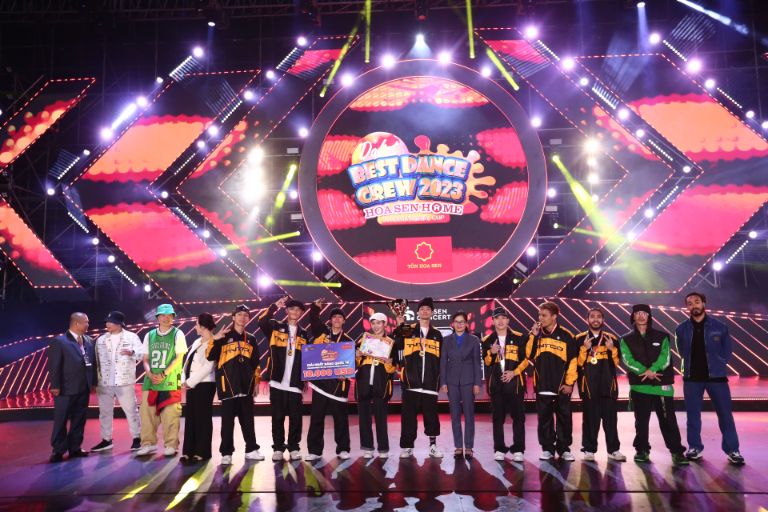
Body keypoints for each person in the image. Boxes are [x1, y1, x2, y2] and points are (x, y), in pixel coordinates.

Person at [675, 292, 744, 465]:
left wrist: (718, 364)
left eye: (697, 302)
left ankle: (733, 450)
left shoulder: (720, 326)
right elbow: (681, 351)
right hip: (692, 379)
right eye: (690, 303)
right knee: (693, 416)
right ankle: (694, 447)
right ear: (687, 307)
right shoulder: (681, 329)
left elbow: (727, 352)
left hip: (717, 378)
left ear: (704, 303)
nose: (694, 305)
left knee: (725, 415)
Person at [619, 304, 688, 466]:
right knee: (641, 422)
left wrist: (653, 370)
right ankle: (642, 450)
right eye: (637, 313)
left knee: (668, 421)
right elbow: (627, 360)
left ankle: (677, 452)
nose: (641, 316)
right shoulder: (625, 339)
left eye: (644, 313)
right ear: (633, 316)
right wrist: (645, 371)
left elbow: (665, 357)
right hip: (639, 386)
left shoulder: (662, 336)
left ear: (649, 316)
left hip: (662, 387)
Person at [207, 304, 265, 464]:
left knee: (248, 421)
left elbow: (256, 363)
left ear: (248, 318)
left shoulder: (251, 338)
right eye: (239, 315)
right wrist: (215, 339)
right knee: (227, 423)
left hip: (246, 386)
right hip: (228, 386)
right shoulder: (223, 336)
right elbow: (210, 356)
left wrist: (256, 382)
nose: (242, 318)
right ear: (233, 317)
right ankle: (226, 453)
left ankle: (251, 450)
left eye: (245, 315)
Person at [259, 296, 309, 462]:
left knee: (296, 418)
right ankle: (278, 448)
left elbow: (308, 359)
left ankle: (294, 447)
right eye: (292, 308)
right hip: (277, 380)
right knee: (277, 417)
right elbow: (262, 321)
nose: (295, 311)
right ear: (287, 310)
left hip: (295, 382)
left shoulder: (304, 334)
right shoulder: (275, 327)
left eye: (298, 310)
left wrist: (305, 378)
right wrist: (274, 306)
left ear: (301, 313)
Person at [393, 297, 444, 459]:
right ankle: (407, 446)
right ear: (417, 312)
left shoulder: (437, 334)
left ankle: (433, 446)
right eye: (422, 309)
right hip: (411, 382)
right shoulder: (408, 329)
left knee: (431, 417)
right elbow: (397, 345)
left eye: (428, 309)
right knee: (408, 418)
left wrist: (440, 380)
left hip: (430, 383)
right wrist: (399, 326)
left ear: (432, 313)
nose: (425, 311)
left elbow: (441, 360)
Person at [527, 301, 577, 461]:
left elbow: (573, 362)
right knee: (544, 419)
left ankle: (564, 449)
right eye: (539, 315)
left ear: (554, 316)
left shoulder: (567, 335)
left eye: (544, 315)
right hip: (542, 385)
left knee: (564, 418)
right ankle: (547, 448)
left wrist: (569, 383)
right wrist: (533, 336)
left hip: (561, 387)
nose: (540, 318)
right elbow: (528, 355)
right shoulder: (535, 334)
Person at [575, 307, 626, 462]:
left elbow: (616, 363)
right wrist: (584, 349)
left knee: (611, 421)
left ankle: (614, 450)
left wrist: (612, 349)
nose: (595, 319)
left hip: (608, 386)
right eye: (592, 316)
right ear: (587, 319)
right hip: (589, 387)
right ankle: (589, 450)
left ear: (603, 320)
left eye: (598, 316)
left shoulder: (611, 338)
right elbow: (578, 364)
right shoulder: (579, 339)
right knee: (590, 420)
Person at [136, 304, 187, 457]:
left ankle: (171, 444)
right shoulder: (150, 335)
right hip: (151, 381)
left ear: (173, 317)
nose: (166, 318)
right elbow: (145, 358)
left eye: (169, 315)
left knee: (171, 414)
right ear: (157, 317)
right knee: (147, 414)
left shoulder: (178, 334)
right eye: (163, 315)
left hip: (170, 380)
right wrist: (149, 373)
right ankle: (148, 443)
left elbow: (179, 358)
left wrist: (164, 374)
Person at [305, 300, 353, 461]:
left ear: (344, 321)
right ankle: (314, 450)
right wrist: (315, 308)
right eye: (334, 317)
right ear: (330, 320)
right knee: (316, 418)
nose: (337, 319)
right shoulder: (322, 334)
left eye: (340, 317)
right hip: (320, 384)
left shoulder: (348, 341)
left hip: (338, 386)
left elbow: (351, 364)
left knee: (341, 419)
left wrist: (345, 373)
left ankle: (343, 448)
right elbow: (313, 320)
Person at [91, 311, 143, 453]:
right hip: (104, 382)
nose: (107, 324)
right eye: (107, 321)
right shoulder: (101, 339)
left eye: (111, 322)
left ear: (119, 324)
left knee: (131, 411)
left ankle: (137, 438)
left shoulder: (131, 337)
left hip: (124, 381)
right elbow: (96, 361)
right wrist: (95, 381)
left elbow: (142, 354)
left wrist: (132, 352)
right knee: (105, 412)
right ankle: (106, 439)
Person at [48, 312, 97, 462]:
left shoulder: (89, 341)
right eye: (86, 322)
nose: (88, 325)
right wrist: (55, 385)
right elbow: (54, 365)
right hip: (65, 389)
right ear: (76, 323)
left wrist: (93, 382)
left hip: (83, 388)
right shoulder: (60, 341)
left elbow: (93, 364)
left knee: (79, 419)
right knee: (61, 420)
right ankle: (58, 450)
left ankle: (75, 448)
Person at [482, 307, 528, 462]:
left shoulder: (520, 337)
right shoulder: (487, 340)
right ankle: (499, 448)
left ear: (508, 320)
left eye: (503, 318)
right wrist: (491, 353)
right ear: (493, 321)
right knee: (497, 419)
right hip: (496, 386)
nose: (500, 321)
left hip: (515, 384)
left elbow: (526, 360)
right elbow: (486, 362)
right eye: (497, 318)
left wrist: (514, 372)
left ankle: (518, 449)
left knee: (519, 418)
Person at [439, 311, 481, 459]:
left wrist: (477, 383)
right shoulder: (446, 340)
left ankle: (468, 446)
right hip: (452, 381)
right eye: (456, 321)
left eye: (462, 321)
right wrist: (443, 381)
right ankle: (458, 446)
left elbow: (477, 363)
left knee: (469, 414)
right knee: (455, 415)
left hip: (468, 381)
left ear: (466, 324)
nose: (459, 324)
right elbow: (443, 362)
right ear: (452, 324)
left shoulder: (474, 340)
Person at [355, 312, 396, 459]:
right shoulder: (364, 339)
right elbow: (355, 363)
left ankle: (383, 448)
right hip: (364, 383)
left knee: (381, 418)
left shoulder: (390, 343)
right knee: (364, 418)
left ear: (385, 324)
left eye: (379, 323)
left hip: (381, 384)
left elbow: (393, 368)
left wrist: (389, 363)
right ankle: (367, 447)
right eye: (373, 323)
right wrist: (357, 356)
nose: (376, 326)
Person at [181, 313, 217, 462]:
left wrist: (190, 382)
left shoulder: (214, 342)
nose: (195, 327)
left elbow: (209, 367)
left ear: (203, 326)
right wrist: (184, 379)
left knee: (203, 417)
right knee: (191, 417)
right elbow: (187, 362)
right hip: (192, 384)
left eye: (197, 324)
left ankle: (202, 452)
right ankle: (188, 451)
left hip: (206, 384)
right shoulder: (197, 341)